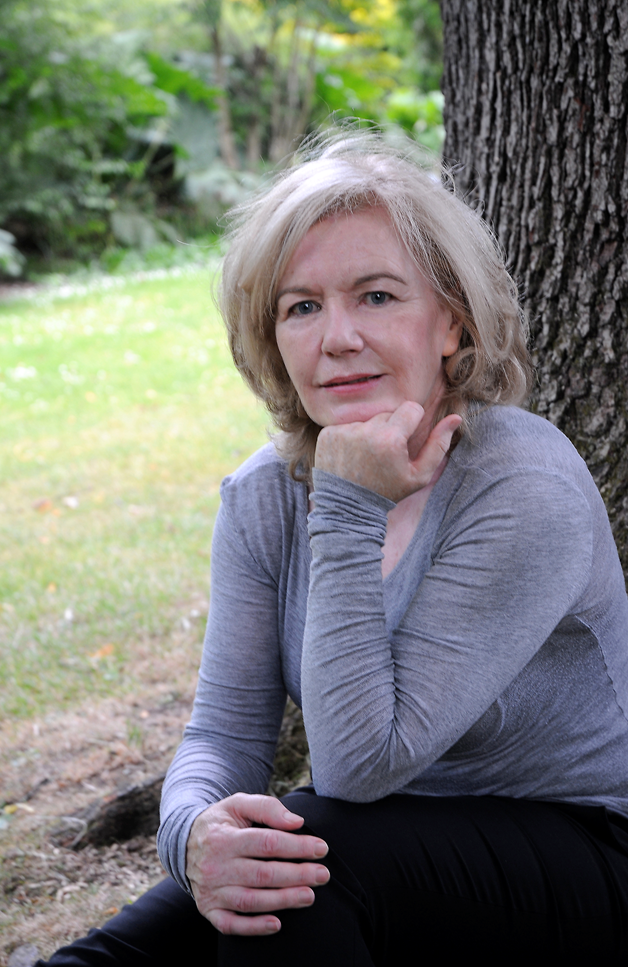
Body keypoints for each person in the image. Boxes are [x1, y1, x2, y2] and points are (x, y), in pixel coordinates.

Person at [38, 133, 628, 965]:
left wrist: (348, 504)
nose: (338, 337)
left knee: (302, 869)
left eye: (377, 296)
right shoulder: (263, 495)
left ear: (451, 321)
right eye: (302, 307)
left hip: (587, 853)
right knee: (156, 928)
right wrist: (195, 836)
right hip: (375, 843)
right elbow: (223, 732)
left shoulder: (522, 486)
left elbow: (357, 764)